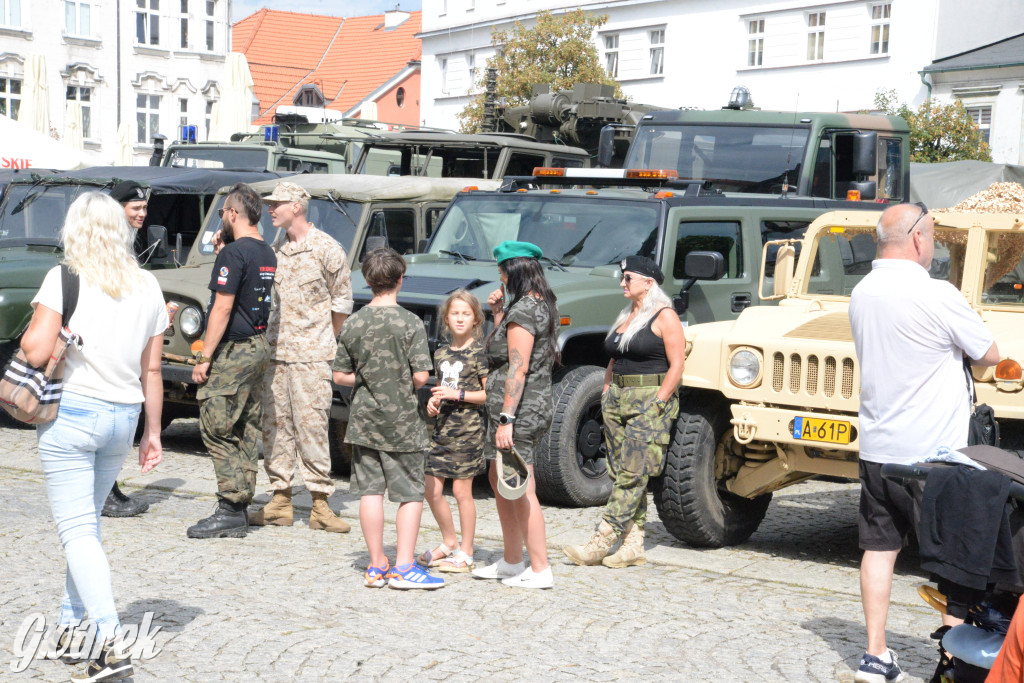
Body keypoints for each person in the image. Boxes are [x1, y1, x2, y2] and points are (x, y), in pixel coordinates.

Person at [848, 202, 1000, 683]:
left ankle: (875, 654)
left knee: (879, 548)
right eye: (932, 234)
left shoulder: (862, 291)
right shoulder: (937, 294)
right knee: (956, 559)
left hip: (877, 446)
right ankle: (955, 661)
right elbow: (989, 354)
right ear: (918, 239)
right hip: (934, 453)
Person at [20, 192, 167, 681]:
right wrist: (153, 433)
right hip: (124, 417)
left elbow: (37, 349)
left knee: (79, 530)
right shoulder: (148, 284)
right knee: (87, 528)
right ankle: (68, 626)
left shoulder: (65, 276)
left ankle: (108, 642)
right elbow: (153, 369)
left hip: (73, 413)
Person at [563, 256, 684, 568]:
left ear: (648, 282)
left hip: (649, 400)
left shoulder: (664, 316)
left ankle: (601, 539)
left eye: (627, 278)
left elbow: (678, 364)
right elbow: (614, 359)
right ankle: (633, 544)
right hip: (617, 399)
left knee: (632, 473)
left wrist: (660, 400)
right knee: (621, 472)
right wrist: (605, 390)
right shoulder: (627, 315)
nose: (622, 283)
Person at [333, 248, 443, 590]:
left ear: (367, 280)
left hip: (364, 419)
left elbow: (339, 376)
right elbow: (422, 376)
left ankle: (377, 563)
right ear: (400, 279)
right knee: (410, 494)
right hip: (402, 423)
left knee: (370, 492)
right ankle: (405, 565)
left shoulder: (353, 322)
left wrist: (370, 380)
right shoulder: (409, 322)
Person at [251, 181, 352, 533]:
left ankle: (320, 504)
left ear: (296, 206)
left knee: (311, 428)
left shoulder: (327, 249)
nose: (270, 209)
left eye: (277, 203)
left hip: (312, 356)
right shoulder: (274, 250)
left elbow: (341, 302)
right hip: (276, 354)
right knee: (275, 428)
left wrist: (323, 337)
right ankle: (280, 499)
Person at [186, 183, 276, 539]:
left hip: (235, 350)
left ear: (234, 214)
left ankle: (229, 506)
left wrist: (203, 357)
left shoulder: (234, 254)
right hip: (257, 345)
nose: (221, 217)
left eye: (223, 212)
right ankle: (239, 505)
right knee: (245, 426)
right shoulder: (265, 250)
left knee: (215, 424)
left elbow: (222, 308)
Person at [471, 241, 557, 589]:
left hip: (519, 413)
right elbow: (509, 352)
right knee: (500, 482)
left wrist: (507, 418)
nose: (500, 278)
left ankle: (540, 568)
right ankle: (511, 561)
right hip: (515, 410)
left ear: (515, 271)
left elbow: (517, 370)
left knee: (521, 488)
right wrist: (498, 314)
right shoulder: (535, 305)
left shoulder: (524, 311)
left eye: (502, 272)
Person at [419, 290, 489, 572]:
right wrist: (434, 401)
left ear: (475, 319)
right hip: (443, 429)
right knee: (431, 488)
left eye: (466, 313)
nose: (460, 318)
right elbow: (442, 388)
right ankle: (449, 542)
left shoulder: (480, 352)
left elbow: (489, 395)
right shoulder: (440, 352)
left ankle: (467, 553)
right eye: (455, 313)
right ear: (446, 319)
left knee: (462, 492)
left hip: (469, 430)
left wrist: (458, 395)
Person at [101, 179, 152, 519]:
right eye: (136, 208)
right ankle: (104, 492)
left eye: (144, 208)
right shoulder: (107, 243)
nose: (142, 215)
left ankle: (109, 487)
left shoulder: (125, 240)